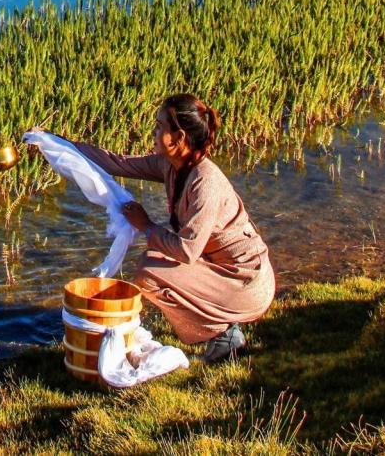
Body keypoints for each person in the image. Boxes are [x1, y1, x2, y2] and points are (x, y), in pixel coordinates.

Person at [51, 92, 274, 362]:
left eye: (159, 127)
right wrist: (56, 143)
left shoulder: (205, 183)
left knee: (150, 271)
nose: (154, 132)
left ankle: (223, 335)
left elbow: (188, 252)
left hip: (247, 283)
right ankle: (224, 330)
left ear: (179, 138)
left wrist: (146, 226)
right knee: (154, 262)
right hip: (223, 273)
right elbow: (116, 162)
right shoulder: (171, 165)